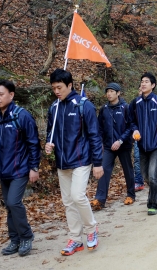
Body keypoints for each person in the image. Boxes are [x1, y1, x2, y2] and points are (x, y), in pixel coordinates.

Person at [0, 80, 41, 257]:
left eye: (1, 94)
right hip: (2, 170)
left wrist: (34, 167)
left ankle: (26, 237)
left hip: (20, 169)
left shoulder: (22, 116)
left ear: (11, 95)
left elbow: (34, 144)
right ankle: (15, 240)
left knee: (13, 202)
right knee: (9, 205)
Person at [45, 69, 104, 256]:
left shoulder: (83, 105)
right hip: (62, 161)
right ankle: (75, 239)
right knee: (68, 201)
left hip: (81, 159)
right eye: (54, 88)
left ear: (70, 85)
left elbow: (94, 136)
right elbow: (51, 133)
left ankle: (91, 229)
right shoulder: (53, 108)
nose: (56, 91)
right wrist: (49, 144)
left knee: (78, 196)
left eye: (59, 87)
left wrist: (98, 163)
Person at [130, 72, 157, 216]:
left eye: (146, 82)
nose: (143, 84)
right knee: (146, 177)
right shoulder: (135, 103)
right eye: (142, 81)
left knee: (153, 176)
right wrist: (135, 129)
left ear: (153, 85)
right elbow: (130, 121)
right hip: (142, 145)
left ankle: (152, 204)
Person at [90, 83, 135, 211]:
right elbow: (99, 128)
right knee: (104, 170)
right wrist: (101, 143)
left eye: (111, 91)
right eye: (107, 91)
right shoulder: (104, 109)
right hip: (109, 146)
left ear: (118, 93)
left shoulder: (126, 107)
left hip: (123, 145)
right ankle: (100, 199)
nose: (109, 94)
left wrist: (120, 140)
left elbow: (131, 126)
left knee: (128, 170)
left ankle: (131, 194)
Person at [132, 87, 144, 191]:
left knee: (152, 158)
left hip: (152, 137)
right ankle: (139, 181)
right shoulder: (135, 105)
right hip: (138, 136)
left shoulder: (154, 102)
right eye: (139, 89)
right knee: (137, 158)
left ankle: (155, 177)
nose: (141, 91)